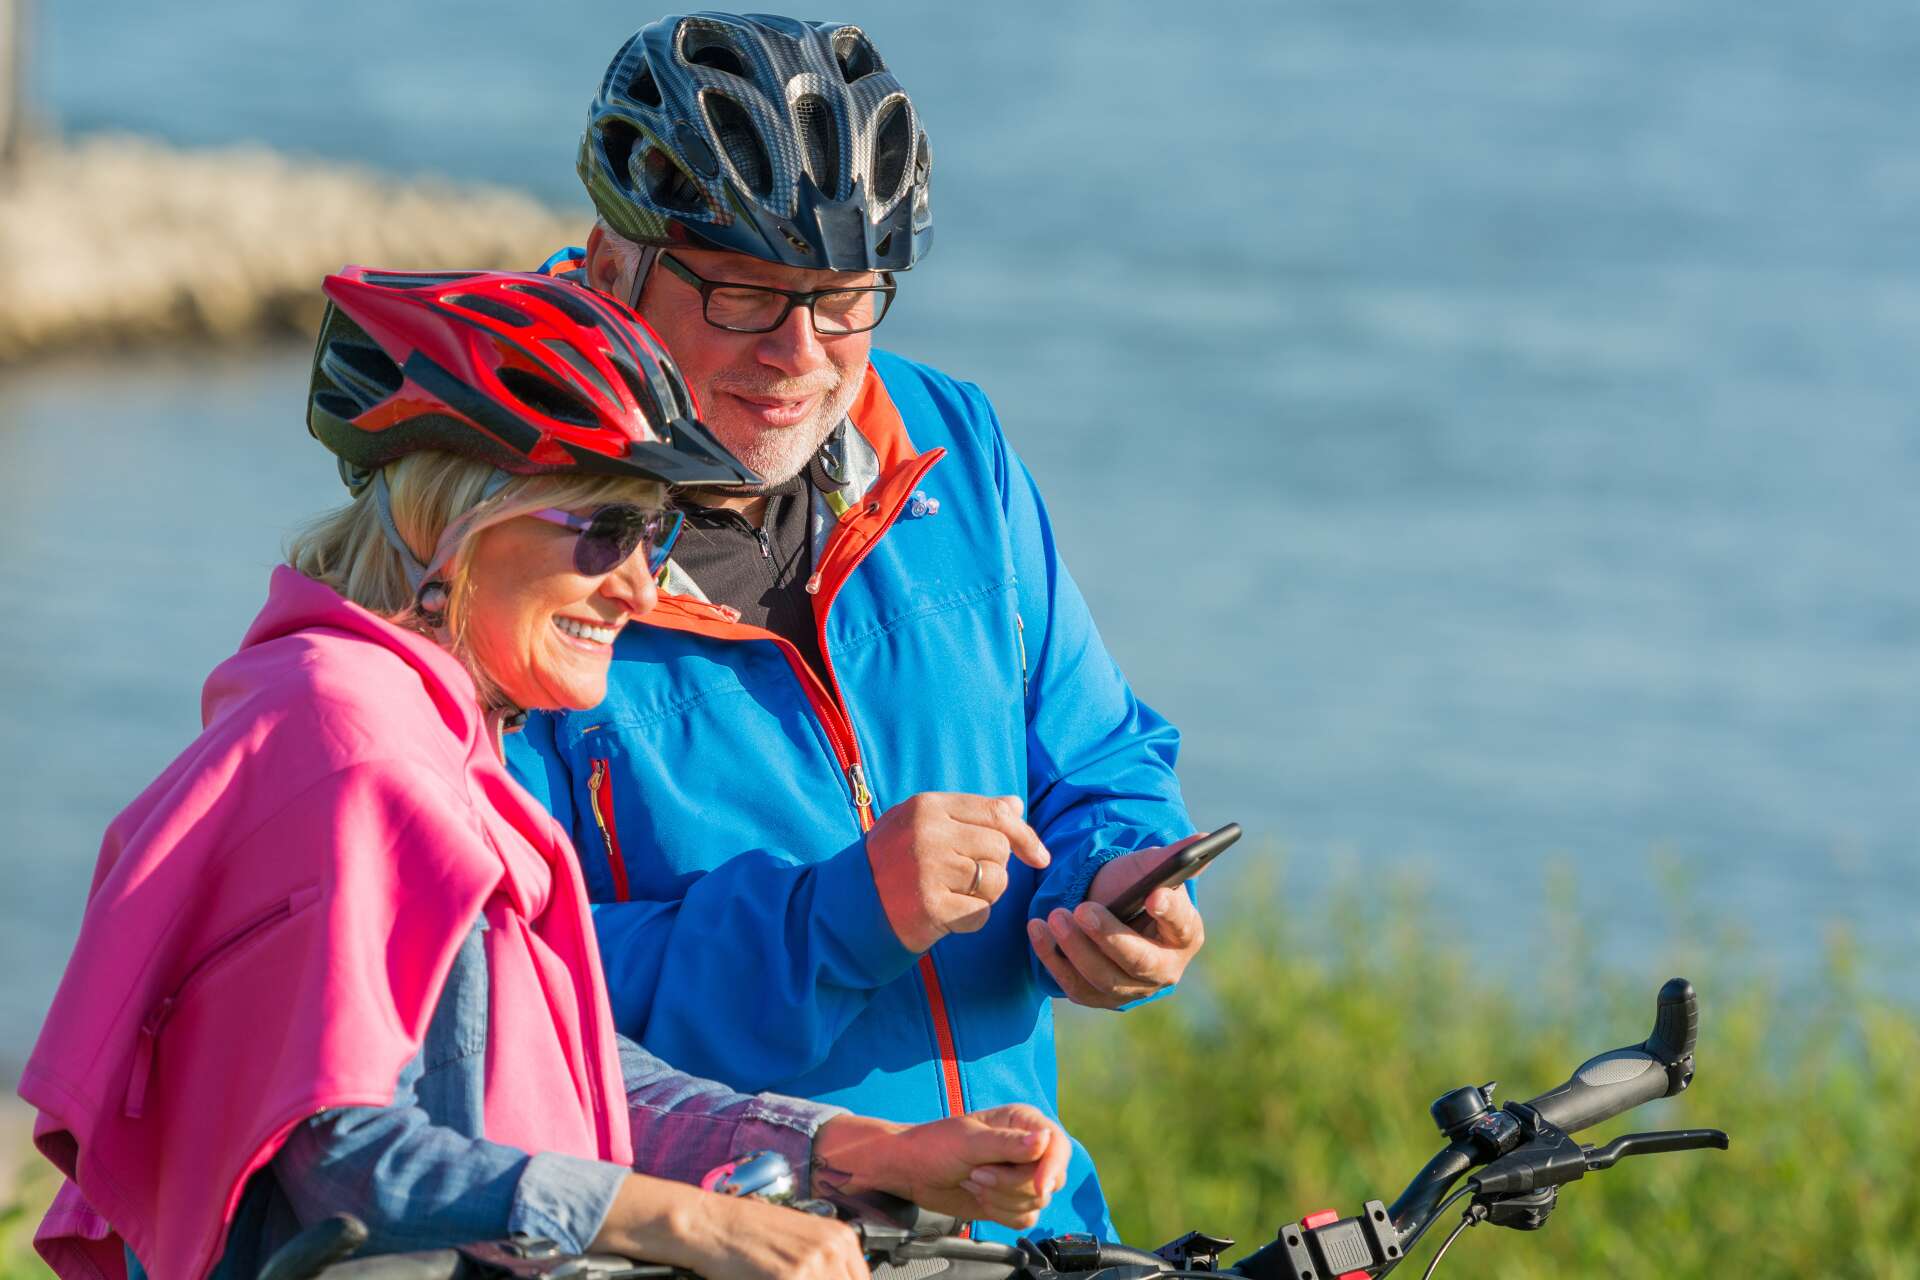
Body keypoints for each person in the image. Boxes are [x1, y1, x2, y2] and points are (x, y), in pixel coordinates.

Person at [21, 267, 1070, 1280]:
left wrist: (843, 1150)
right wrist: (688, 1222)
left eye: (654, 530)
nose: (638, 586)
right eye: (604, 530)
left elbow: (557, 1073)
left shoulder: (435, 730)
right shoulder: (346, 740)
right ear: (449, 525)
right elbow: (340, 1150)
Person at [507, 14, 1208, 1241]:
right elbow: (498, 986)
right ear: (615, 266)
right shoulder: (500, 535)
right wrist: (836, 914)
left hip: (1023, 1235)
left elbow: (1096, 758)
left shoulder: (949, 441)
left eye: (842, 299)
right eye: (743, 293)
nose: (798, 356)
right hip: (725, 1245)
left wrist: (1113, 883)